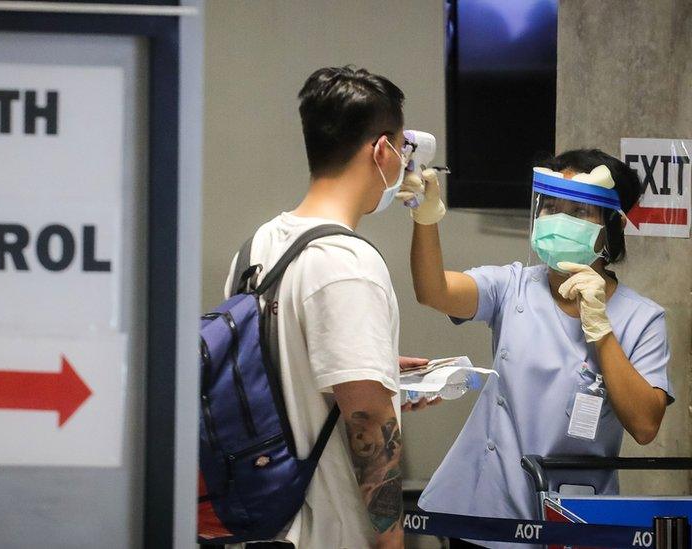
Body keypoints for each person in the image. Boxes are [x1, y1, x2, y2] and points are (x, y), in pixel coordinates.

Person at [401, 149, 672, 548]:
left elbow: (646, 426)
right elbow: (433, 291)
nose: (560, 221)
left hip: (573, 517)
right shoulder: (513, 285)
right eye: (551, 207)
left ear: (610, 227)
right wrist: (426, 218)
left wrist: (600, 329)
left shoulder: (642, 318)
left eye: (579, 212)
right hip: (485, 507)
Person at [221, 65, 421, 549]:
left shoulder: (256, 248)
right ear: (381, 151)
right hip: (332, 534)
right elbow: (367, 419)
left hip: (265, 526)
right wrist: (391, 543)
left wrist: (377, 369)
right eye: (402, 148)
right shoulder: (348, 264)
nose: (403, 163)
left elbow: (269, 368)